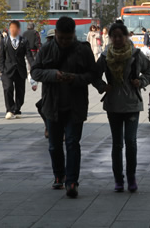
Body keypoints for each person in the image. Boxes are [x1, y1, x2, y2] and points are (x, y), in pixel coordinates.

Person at [32, 17, 97, 198]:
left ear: (74, 34)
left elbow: (92, 74)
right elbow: (35, 71)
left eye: (68, 38)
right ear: (56, 34)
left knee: (72, 144)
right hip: (52, 104)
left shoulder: (83, 49)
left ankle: (72, 182)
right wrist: (53, 75)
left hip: (75, 104)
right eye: (61, 38)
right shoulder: (46, 48)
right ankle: (59, 175)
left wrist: (75, 78)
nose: (65, 42)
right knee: (54, 146)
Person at [94, 20, 150, 193]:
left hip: (132, 103)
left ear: (126, 36)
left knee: (131, 141)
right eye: (115, 36)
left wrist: (140, 81)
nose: (118, 39)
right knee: (117, 143)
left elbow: (149, 72)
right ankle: (118, 179)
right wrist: (103, 86)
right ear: (110, 38)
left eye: (121, 36)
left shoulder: (135, 55)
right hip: (113, 104)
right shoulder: (105, 57)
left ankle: (131, 177)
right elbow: (94, 76)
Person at [0, 20, 35, 120]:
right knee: (8, 89)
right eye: (12, 28)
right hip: (7, 70)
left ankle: (17, 108)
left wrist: (33, 66)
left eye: (15, 28)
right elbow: (1, 56)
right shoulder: (4, 41)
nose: (13, 30)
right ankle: (9, 110)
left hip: (20, 69)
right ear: (10, 29)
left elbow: (29, 55)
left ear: (19, 30)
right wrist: (1, 70)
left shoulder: (24, 41)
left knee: (20, 91)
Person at [35, 28, 56, 139]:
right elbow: (35, 70)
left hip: (61, 89)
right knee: (42, 106)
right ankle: (48, 127)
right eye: (50, 39)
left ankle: (55, 130)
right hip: (48, 88)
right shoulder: (44, 52)